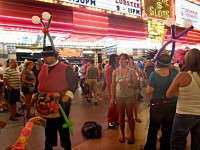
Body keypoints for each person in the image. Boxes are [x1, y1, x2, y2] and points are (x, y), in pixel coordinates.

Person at [34, 46, 78, 150]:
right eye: (44, 56)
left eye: (48, 56)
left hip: (61, 101)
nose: (45, 58)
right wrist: (35, 95)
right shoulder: (43, 67)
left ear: (55, 56)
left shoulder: (65, 67)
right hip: (45, 101)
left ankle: (67, 146)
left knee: (63, 125)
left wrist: (67, 96)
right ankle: (48, 146)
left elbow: (74, 83)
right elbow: (39, 82)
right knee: (48, 126)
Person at [166, 48, 200, 150]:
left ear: (187, 60)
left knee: (177, 144)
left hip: (183, 114)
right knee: (197, 145)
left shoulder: (182, 76)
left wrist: (183, 93)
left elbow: (169, 94)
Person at [143, 53, 179, 150]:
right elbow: (176, 68)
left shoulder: (154, 74)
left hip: (157, 105)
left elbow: (148, 91)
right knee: (167, 130)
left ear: (158, 63)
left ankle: (150, 147)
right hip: (172, 104)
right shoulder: (175, 72)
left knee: (153, 129)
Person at [111, 53, 138, 144]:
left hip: (129, 96)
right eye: (120, 59)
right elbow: (113, 85)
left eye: (123, 59)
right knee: (121, 116)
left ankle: (132, 135)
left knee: (130, 116)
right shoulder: (115, 72)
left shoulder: (131, 71)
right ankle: (122, 134)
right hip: (119, 97)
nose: (121, 61)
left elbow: (136, 84)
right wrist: (112, 98)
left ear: (127, 60)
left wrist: (127, 84)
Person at [106, 54, 119, 128]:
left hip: (117, 88)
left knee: (117, 105)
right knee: (112, 104)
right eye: (116, 58)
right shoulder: (110, 68)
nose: (118, 60)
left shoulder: (116, 66)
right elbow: (110, 80)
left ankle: (116, 119)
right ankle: (110, 120)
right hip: (112, 88)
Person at [128, 57, 142, 123]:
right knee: (128, 102)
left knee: (135, 102)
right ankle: (129, 116)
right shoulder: (126, 68)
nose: (129, 61)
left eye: (130, 59)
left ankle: (136, 116)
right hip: (128, 86)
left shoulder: (135, 67)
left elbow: (139, 75)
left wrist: (140, 83)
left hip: (135, 86)